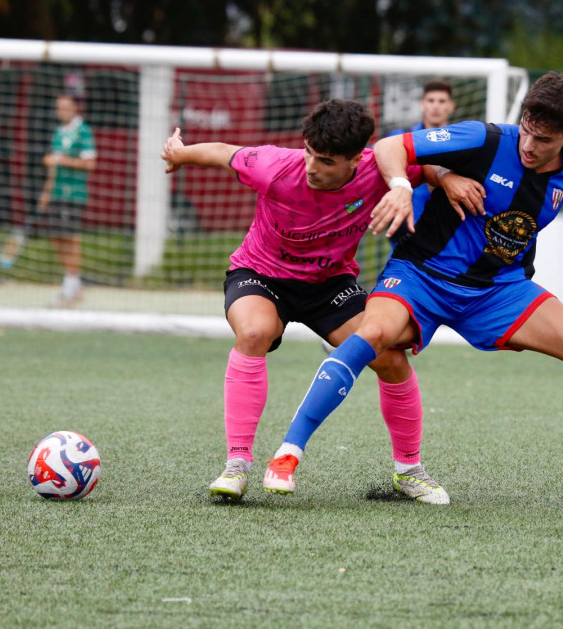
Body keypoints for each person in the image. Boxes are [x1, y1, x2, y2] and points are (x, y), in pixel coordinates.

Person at [264, 73, 563, 517]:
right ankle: (288, 454)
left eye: (543, 139)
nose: (529, 145)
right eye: (526, 129)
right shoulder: (482, 138)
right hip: (421, 274)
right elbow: (389, 147)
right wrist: (427, 182)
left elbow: (513, 234)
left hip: (496, 290)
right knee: (371, 335)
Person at [160, 99, 479, 504]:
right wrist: (180, 153)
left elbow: (422, 165)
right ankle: (237, 464)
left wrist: (447, 178)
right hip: (260, 274)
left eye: (326, 161)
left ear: (355, 160)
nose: (312, 166)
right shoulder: (274, 166)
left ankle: (409, 470)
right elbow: (225, 153)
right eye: (310, 153)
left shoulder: (376, 171)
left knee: (391, 356)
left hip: (329, 285)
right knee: (255, 331)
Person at [37, 93, 97, 307]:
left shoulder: (83, 131)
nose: (60, 111)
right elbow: (53, 167)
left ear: (74, 109)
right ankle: (74, 281)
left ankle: (71, 284)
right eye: (58, 108)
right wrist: (46, 193)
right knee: (56, 236)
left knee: (71, 237)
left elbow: (90, 163)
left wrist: (64, 160)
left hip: (74, 193)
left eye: (65, 107)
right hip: (57, 193)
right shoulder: (58, 133)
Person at [386, 79, 456, 248]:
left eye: (441, 101)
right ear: (422, 104)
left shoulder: (463, 142)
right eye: (431, 101)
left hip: (448, 234)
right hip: (405, 232)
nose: (436, 106)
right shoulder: (399, 138)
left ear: (451, 106)